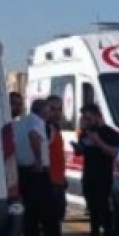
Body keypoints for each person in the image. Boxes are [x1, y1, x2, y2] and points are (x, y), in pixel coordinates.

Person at [15, 99, 71, 236]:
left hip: (24, 172)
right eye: (49, 109)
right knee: (50, 219)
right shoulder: (37, 122)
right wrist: (38, 159)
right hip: (39, 174)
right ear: (42, 110)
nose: (50, 112)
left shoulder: (19, 123)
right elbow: (34, 136)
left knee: (30, 219)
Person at [76, 103, 119, 236]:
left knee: (103, 205)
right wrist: (80, 148)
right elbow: (82, 151)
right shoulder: (85, 133)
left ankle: (107, 234)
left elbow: (113, 153)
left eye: (88, 118)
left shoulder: (109, 133)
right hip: (88, 173)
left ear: (97, 116)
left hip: (103, 175)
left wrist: (98, 142)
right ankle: (94, 234)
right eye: (84, 118)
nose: (86, 121)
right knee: (92, 206)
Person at [45, 95, 69, 228]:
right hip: (49, 182)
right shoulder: (46, 128)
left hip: (58, 180)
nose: (57, 113)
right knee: (52, 218)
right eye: (53, 109)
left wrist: (63, 177)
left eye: (59, 109)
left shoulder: (56, 128)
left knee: (58, 215)